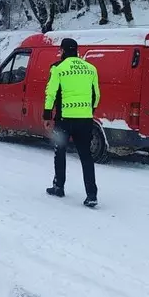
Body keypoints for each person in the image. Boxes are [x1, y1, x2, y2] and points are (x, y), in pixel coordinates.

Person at [43, 38, 101, 207]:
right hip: (85, 120)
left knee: (59, 152)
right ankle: (91, 195)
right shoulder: (91, 69)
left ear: (62, 51)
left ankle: (58, 186)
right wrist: (90, 110)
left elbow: (50, 93)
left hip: (64, 120)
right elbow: (96, 95)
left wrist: (47, 115)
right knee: (86, 156)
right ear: (76, 50)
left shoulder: (58, 68)